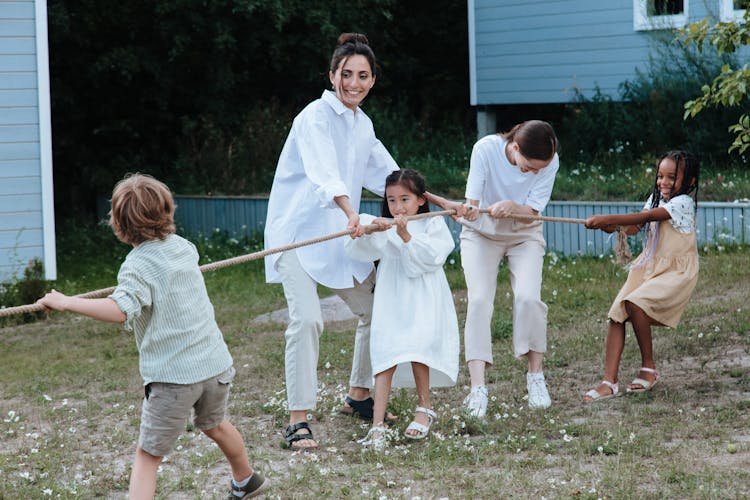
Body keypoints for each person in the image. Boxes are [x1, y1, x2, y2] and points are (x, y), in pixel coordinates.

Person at [36, 174, 269, 500]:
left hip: (175, 378)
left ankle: (243, 480)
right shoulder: (184, 248)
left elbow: (120, 309)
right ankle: (246, 479)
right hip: (215, 367)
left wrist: (66, 302)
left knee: (148, 454)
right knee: (215, 425)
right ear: (168, 211)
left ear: (118, 224)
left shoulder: (136, 266)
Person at [263, 32, 399, 451]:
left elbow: (390, 177)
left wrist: (433, 199)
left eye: (362, 75)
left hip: (341, 237)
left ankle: (358, 395)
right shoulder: (314, 117)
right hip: (297, 237)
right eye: (346, 74)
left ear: (373, 80)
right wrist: (351, 212)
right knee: (308, 320)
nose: (353, 83)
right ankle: (297, 419)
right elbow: (325, 175)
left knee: (377, 312)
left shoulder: (363, 125)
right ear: (332, 75)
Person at [426, 120, 560, 416]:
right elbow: (472, 203)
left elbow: (534, 210)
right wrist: (469, 210)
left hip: (524, 233)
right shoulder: (485, 150)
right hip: (481, 233)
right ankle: (478, 389)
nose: (534, 172)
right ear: (514, 147)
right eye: (529, 166)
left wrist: (513, 206)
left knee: (528, 298)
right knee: (478, 301)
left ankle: (535, 376)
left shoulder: (549, 160)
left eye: (540, 168)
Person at [344, 169, 459, 449]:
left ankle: (424, 408)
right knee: (386, 352)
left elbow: (432, 258)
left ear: (420, 200)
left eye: (405, 199)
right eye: (392, 200)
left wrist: (406, 236)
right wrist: (364, 231)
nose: (397, 207)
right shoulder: (384, 223)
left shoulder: (432, 222)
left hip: (422, 296)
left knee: (418, 348)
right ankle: (377, 424)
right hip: (392, 297)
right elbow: (359, 248)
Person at [582, 151, 700, 402]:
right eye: (660, 176)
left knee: (636, 302)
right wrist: (609, 227)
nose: (663, 182)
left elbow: (646, 217)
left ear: (689, 182)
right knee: (617, 314)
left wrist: (608, 217)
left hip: (674, 270)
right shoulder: (655, 198)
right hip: (648, 267)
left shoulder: (683, 204)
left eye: (672, 177)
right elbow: (636, 228)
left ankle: (649, 368)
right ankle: (608, 382)